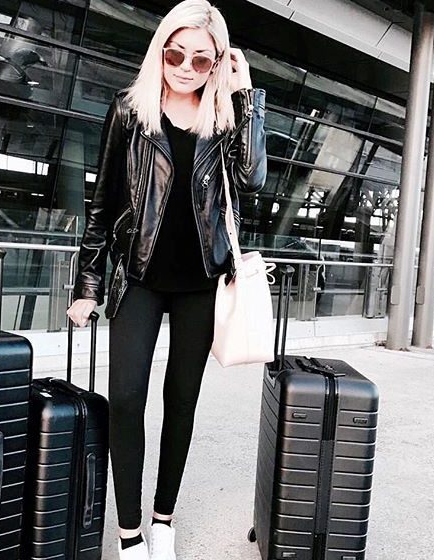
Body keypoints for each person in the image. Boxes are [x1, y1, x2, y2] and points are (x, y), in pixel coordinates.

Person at [66, 1, 267, 558]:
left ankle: (163, 520)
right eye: (175, 54)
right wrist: (87, 286)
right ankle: (129, 533)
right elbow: (101, 203)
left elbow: (252, 178)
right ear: (160, 50)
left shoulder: (225, 119)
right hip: (138, 277)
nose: (184, 67)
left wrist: (246, 96)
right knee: (126, 399)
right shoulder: (130, 111)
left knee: (182, 401)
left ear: (216, 64)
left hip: (202, 282)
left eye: (200, 59)